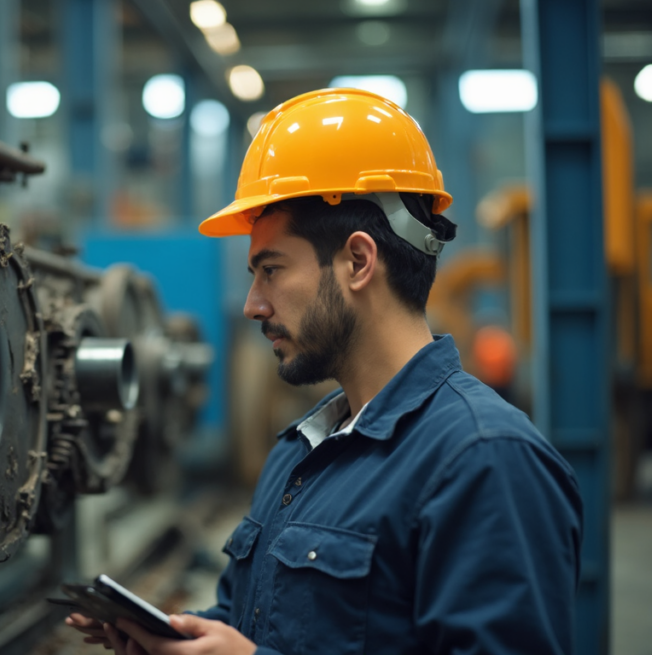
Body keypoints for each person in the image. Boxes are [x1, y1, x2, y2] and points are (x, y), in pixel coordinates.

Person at [66, 88, 583, 655]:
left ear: (358, 262)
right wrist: (180, 638)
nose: (252, 305)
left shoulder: (485, 460)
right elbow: (265, 624)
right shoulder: (302, 452)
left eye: (270, 270)